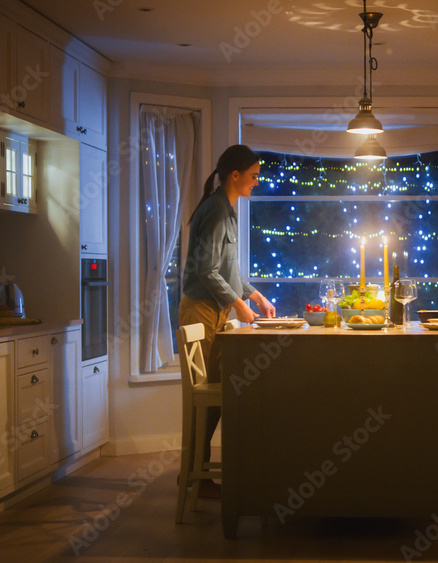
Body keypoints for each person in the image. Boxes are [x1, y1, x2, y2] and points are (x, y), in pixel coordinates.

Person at [179, 144, 276, 497]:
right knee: (210, 395)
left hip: (213, 309)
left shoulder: (225, 208)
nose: (257, 182)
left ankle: (196, 472)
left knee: (219, 395)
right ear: (235, 176)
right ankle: (196, 474)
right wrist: (237, 303)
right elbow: (206, 270)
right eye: (253, 176)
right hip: (203, 312)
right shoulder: (219, 211)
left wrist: (254, 295)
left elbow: (225, 269)